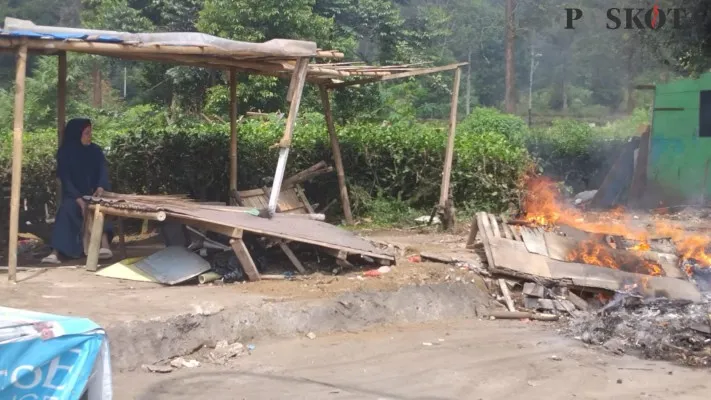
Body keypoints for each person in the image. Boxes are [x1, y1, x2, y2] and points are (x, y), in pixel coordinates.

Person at [42, 118, 113, 264]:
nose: (89, 136)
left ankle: (104, 247)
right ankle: (55, 252)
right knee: (66, 210)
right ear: (77, 134)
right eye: (86, 133)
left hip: (94, 193)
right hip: (73, 195)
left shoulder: (95, 150)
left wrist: (100, 187)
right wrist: (78, 199)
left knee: (100, 207)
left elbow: (102, 172)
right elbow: (65, 179)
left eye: (90, 133)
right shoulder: (65, 153)